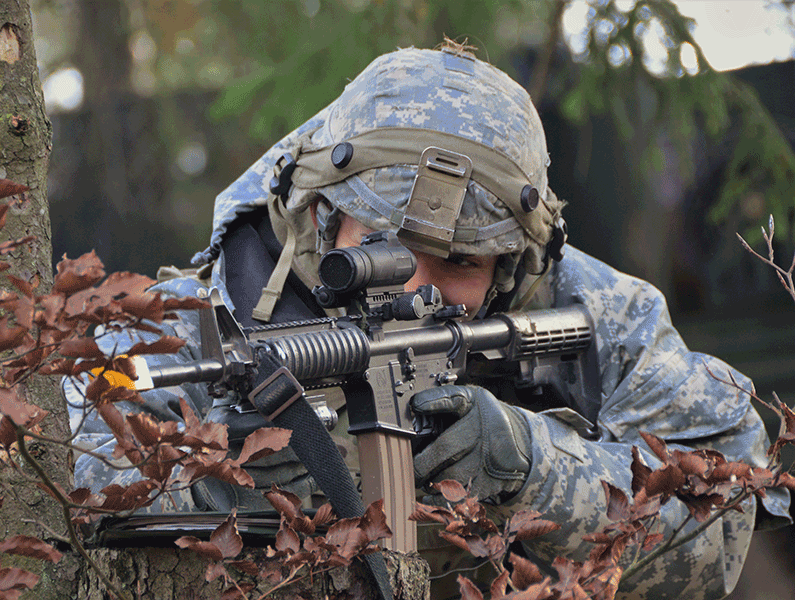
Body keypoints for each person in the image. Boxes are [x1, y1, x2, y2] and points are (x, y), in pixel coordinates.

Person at [66, 44, 790, 599]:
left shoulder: (601, 321)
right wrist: (215, 486)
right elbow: (52, 497)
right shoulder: (183, 334)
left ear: (512, 266)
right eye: (388, 251)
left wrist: (533, 467)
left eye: (463, 266)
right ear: (323, 220)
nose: (420, 291)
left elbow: (723, 529)